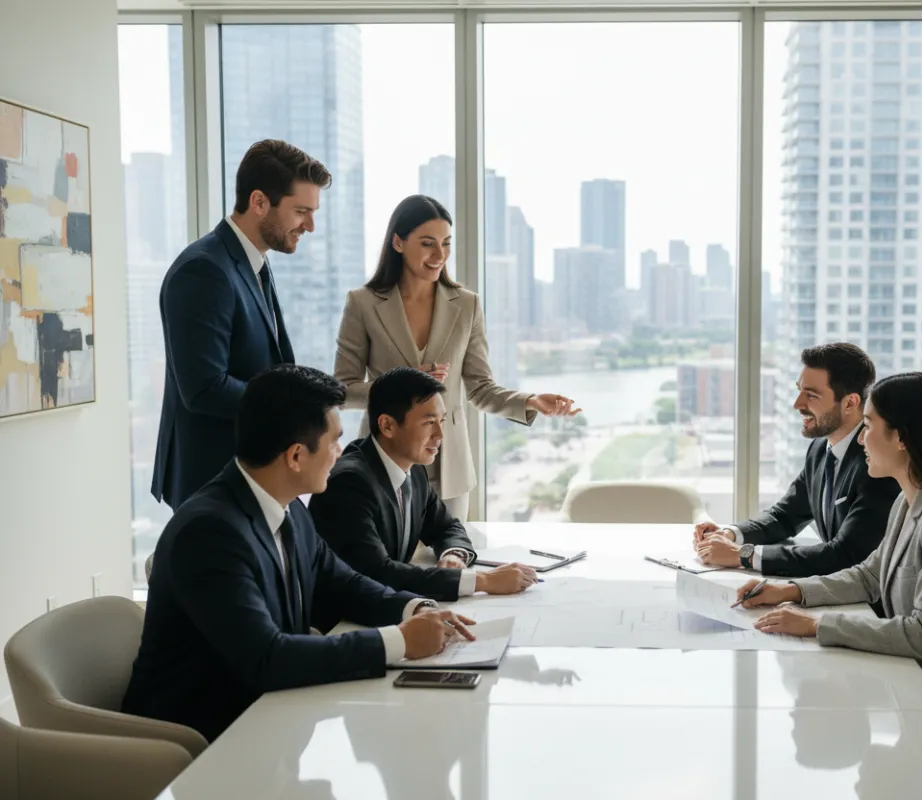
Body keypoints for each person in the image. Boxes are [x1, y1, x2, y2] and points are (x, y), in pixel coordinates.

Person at [123, 365, 475, 743]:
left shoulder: (288, 509)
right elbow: (266, 658)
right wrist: (399, 641)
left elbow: (344, 583)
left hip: (271, 714)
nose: (341, 455)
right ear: (295, 456)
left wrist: (417, 609)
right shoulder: (209, 533)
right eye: (334, 443)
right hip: (203, 739)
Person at [737, 372, 922, 698]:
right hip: (917, 686)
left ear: (901, 437)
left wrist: (817, 625)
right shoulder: (907, 501)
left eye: (869, 425)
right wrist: (789, 591)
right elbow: (868, 576)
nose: (861, 439)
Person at [333, 195, 580, 520]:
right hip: (383, 460)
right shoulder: (363, 304)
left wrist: (531, 401)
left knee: (450, 558)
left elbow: (480, 388)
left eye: (446, 243)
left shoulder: (467, 305)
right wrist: (400, 385)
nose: (439, 255)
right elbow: (341, 391)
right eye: (427, 243)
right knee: (385, 564)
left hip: (449, 466)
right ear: (398, 242)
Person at [152, 139, 331, 510]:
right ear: (259, 202)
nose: (310, 226)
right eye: (301, 211)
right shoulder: (203, 271)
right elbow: (203, 388)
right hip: (214, 482)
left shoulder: (255, 263)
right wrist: (291, 408)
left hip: (253, 478)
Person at [308, 367, 538, 624]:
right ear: (387, 425)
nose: (440, 435)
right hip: (342, 626)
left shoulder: (413, 469)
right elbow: (376, 572)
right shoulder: (349, 483)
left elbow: (446, 526)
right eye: (429, 423)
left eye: (441, 421)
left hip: (390, 610)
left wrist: (454, 554)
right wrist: (482, 581)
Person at [694, 343, 899, 581]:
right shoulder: (820, 449)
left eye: (811, 395)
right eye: (799, 391)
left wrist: (744, 556)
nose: (797, 404)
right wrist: (730, 534)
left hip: (869, 606)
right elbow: (785, 515)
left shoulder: (876, 463)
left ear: (850, 403)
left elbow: (846, 554)